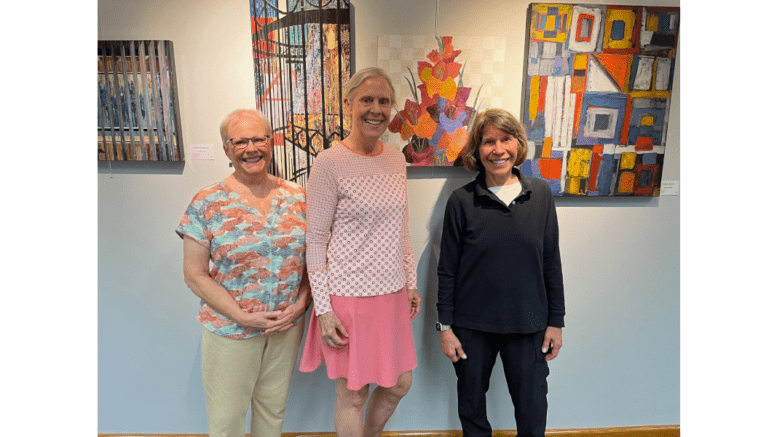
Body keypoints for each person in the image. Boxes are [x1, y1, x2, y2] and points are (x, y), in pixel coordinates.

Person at [299, 67, 421, 437]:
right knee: (353, 394)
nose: (376, 109)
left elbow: (401, 226)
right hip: (348, 298)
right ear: (349, 104)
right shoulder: (329, 162)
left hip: (392, 293)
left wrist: (411, 282)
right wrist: (323, 310)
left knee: (400, 383)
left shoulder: (395, 159)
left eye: (384, 101)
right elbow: (315, 240)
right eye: (367, 99)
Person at [176, 109, 310, 437]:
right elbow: (194, 275)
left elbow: (314, 263)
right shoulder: (207, 202)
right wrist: (242, 316)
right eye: (240, 141)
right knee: (227, 420)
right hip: (230, 330)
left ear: (271, 142)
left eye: (259, 139)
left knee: (272, 410)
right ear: (226, 149)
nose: (252, 148)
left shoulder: (299, 197)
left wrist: (301, 304)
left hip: (285, 327)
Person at [436, 108, 565, 437]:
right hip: (471, 327)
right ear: (476, 150)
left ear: (518, 144)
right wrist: (445, 327)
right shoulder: (461, 201)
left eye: (505, 139)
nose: (498, 149)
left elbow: (551, 261)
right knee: (471, 407)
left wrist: (556, 321)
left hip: (529, 324)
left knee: (532, 408)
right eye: (488, 141)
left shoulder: (540, 196)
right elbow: (447, 269)